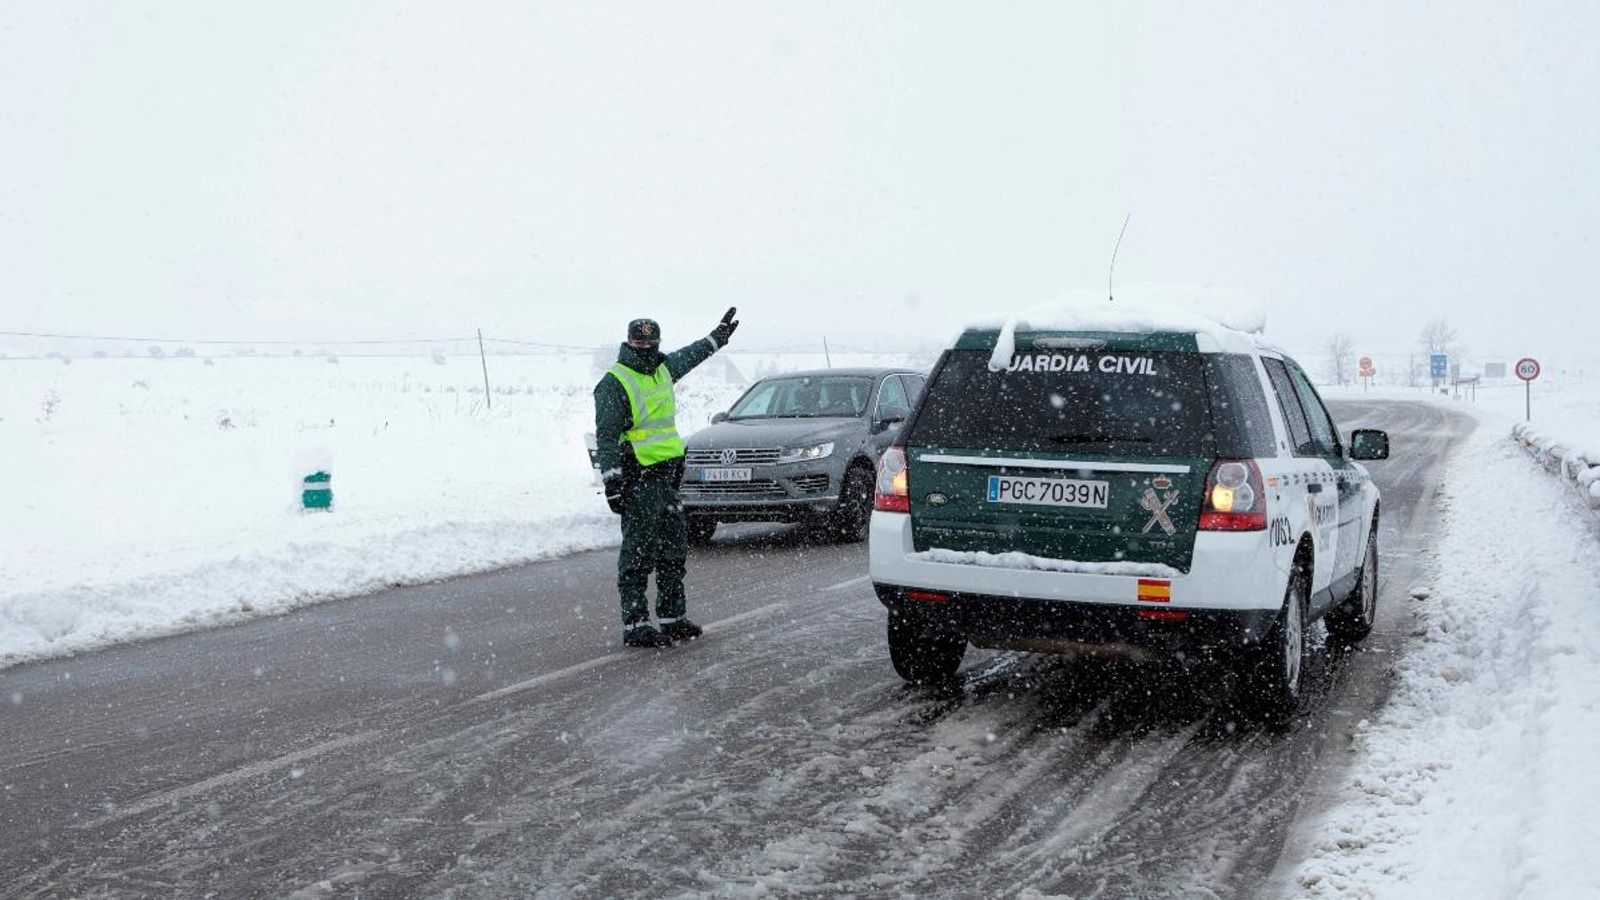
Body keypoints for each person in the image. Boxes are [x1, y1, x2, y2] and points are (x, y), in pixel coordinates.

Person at [594, 307, 740, 648]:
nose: (646, 349)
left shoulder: (663, 369)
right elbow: (606, 435)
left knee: (673, 550)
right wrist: (612, 481)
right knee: (638, 555)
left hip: (668, 479)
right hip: (639, 480)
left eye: (651, 344)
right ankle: (636, 624)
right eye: (640, 344)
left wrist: (716, 339)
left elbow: (691, 356)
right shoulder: (615, 382)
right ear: (629, 343)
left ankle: (673, 617)